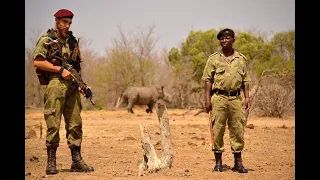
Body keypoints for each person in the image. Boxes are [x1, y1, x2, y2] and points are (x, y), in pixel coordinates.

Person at [33, 9, 94, 175]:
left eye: (69, 23)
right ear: (57, 21)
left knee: (75, 123)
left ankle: (76, 160)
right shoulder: (47, 40)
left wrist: (81, 85)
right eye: (64, 22)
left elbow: (76, 67)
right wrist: (59, 69)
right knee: (53, 123)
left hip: (72, 86)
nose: (67, 26)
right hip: (55, 84)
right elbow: (37, 63)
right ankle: (51, 162)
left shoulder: (72, 41)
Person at [201, 28, 251, 173]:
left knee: (237, 129)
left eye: (227, 38)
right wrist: (207, 99)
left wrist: (247, 97)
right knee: (217, 129)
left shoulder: (241, 59)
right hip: (218, 98)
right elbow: (207, 80)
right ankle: (218, 163)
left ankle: (238, 163)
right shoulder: (213, 58)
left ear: (233, 40)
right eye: (222, 38)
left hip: (236, 98)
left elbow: (246, 80)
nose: (224, 40)